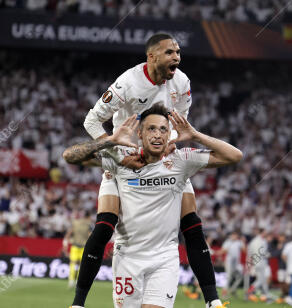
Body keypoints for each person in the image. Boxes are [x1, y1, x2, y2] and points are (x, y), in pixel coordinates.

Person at [70, 32, 220, 308]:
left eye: (178, 52)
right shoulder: (127, 83)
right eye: (169, 52)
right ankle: (78, 303)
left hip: (163, 159)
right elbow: (92, 121)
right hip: (125, 161)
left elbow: (181, 121)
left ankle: (213, 301)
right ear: (151, 56)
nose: (176, 57)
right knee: (104, 226)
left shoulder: (182, 81)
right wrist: (116, 154)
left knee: (192, 224)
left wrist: (170, 144)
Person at [63, 103, 243, 307]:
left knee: (192, 225)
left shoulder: (181, 160)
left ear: (169, 136)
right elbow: (70, 156)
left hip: (164, 259)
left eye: (163, 129)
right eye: (151, 129)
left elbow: (235, 155)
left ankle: (211, 299)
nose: (157, 135)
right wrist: (111, 140)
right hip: (128, 258)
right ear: (139, 134)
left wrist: (195, 135)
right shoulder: (123, 158)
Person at [63, 211, 92, 288]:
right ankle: (78, 281)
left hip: (75, 247)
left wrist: (65, 245)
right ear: (88, 217)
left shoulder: (75, 223)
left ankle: (71, 281)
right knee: (82, 265)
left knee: (73, 263)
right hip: (84, 247)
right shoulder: (88, 225)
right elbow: (90, 237)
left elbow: (68, 234)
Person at [217, 231, 246, 297]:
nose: (234, 237)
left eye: (235, 235)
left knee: (240, 277)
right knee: (229, 277)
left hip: (236, 263)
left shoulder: (239, 242)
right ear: (231, 236)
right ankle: (224, 293)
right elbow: (223, 250)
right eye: (233, 235)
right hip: (229, 262)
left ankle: (233, 289)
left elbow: (244, 250)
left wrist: (243, 241)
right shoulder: (227, 242)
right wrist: (218, 253)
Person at [282, 238, 292, 306]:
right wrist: (288, 263)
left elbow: (283, 256)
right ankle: (289, 297)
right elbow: (283, 256)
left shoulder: (288, 245)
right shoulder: (289, 245)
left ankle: (289, 297)